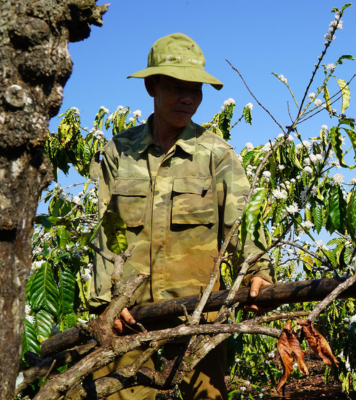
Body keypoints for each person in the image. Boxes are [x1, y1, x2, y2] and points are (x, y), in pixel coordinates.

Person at [88, 32, 275, 400]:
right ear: (151, 88)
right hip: (129, 318)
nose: (189, 98)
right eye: (177, 88)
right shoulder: (118, 152)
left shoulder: (215, 154)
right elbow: (105, 233)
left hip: (197, 316)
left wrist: (259, 275)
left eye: (196, 90)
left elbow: (241, 225)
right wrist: (105, 304)